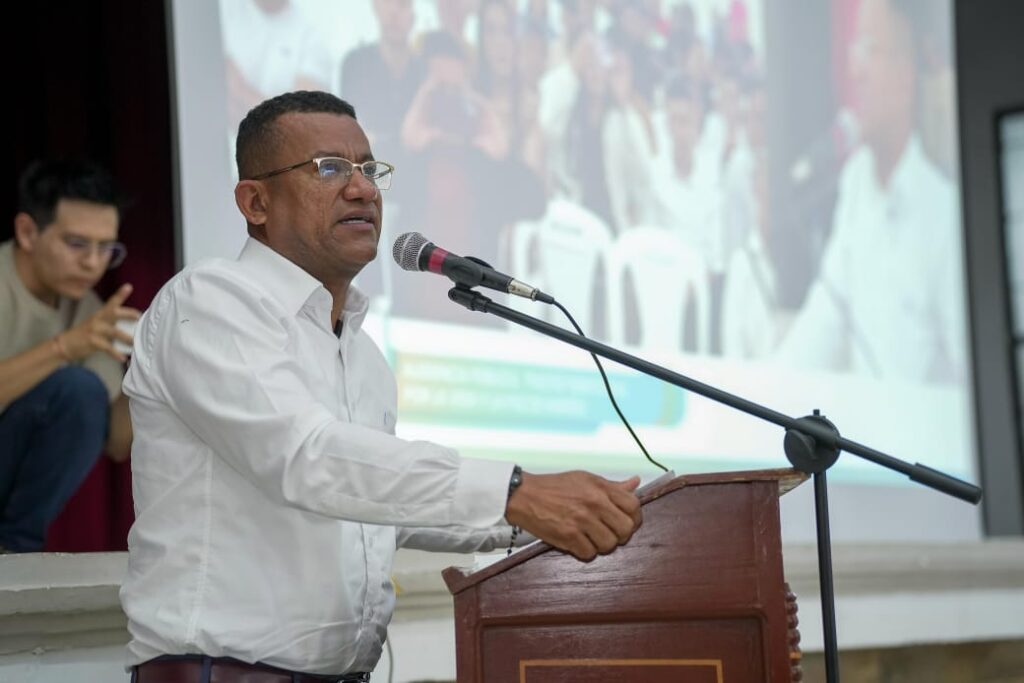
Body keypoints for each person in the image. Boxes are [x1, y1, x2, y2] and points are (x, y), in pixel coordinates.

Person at [120, 90, 642, 681]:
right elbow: (306, 457)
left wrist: (542, 516)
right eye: (329, 168)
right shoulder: (208, 303)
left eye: (370, 169)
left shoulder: (363, 354)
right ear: (255, 201)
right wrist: (515, 490)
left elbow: (378, 512)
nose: (363, 188)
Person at [777, 0, 965, 383]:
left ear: (907, 72)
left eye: (870, 49)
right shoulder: (857, 182)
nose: (855, 70)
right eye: (854, 49)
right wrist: (759, 393)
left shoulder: (944, 212)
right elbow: (825, 318)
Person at [0, 160, 139, 553]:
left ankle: (13, 554)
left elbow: (114, 442)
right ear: (27, 232)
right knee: (76, 386)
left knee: (81, 391)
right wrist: (64, 348)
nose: (92, 263)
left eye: (105, 249)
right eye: (77, 244)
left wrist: (150, 370)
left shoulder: (89, 309)